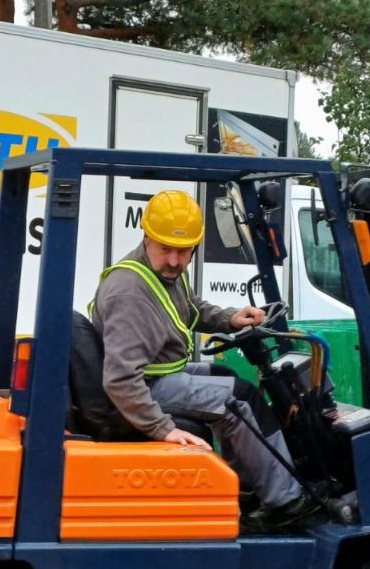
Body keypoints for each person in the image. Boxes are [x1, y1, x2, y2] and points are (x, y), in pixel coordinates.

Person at [90, 190, 323, 530]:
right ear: (147, 237)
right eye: (166, 249)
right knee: (239, 399)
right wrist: (162, 429)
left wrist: (230, 318)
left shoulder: (162, 273)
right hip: (140, 387)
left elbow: (192, 309)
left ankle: (246, 486)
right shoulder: (130, 292)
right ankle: (288, 502)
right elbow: (121, 379)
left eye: (183, 251)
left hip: (157, 373)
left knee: (225, 375)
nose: (174, 260)